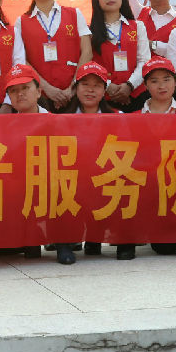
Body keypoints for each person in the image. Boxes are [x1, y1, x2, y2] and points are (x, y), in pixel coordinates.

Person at [137, 56, 176, 257]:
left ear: (175, 82)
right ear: (145, 85)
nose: (161, 86)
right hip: (149, 181)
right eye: (154, 81)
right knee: (162, 249)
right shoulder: (134, 119)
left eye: (166, 79)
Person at [58, 62, 117, 262]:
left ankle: (107, 239)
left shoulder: (117, 118)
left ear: (104, 91)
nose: (90, 90)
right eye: (85, 84)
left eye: (97, 85)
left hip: (104, 174)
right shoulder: (61, 119)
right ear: (76, 88)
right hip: (73, 176)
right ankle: (64, 242)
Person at [16, 0, 92, 112]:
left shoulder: (74, 14)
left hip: (74, 94)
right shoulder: (21, 22)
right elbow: (22, 59)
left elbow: (87, 52)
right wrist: (47, 89)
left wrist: (73, 86)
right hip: (40, 97)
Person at [3, 63, 47, 260]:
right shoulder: (5, 127)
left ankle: (63, 243)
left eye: (25, 88)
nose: (19, 94)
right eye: (13, 91)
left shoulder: (56, 121)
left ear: (38, 92)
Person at [89, 0, 150, 112]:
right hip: (103, 98)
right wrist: (108, 86)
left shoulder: (138, 26)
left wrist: (129, 86)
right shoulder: (89, 31)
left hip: (137, 95)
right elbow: (89, 64)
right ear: (97, 0)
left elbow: (144, 61)